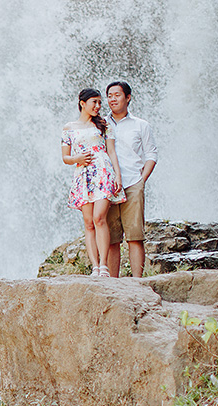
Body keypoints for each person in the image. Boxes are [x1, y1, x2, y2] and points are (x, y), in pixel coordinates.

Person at [62, 88, 125, 277]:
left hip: (103, 172)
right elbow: (65, 157)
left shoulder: (104, 125)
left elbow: (112, 151)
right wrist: (77, 158)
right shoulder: (69, 128)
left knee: (99, 218)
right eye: (94, 102)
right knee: (89, 223)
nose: (98, 106)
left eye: (99, 102)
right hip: (83, 175)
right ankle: (95, 266)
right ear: (82, 103)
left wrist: (118, 176)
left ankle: (104, 265)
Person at [104, 81, 157, 278]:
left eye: (117, 95)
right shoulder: (101, 124)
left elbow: (151, 154)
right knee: (111, 238)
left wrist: (142, 180)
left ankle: (137, 283)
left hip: (133, 183)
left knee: (135, 236)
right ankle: (114, 283)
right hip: (107, 187)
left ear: (128, 97)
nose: (112, 99)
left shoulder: (141, 125)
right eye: (109, 95)